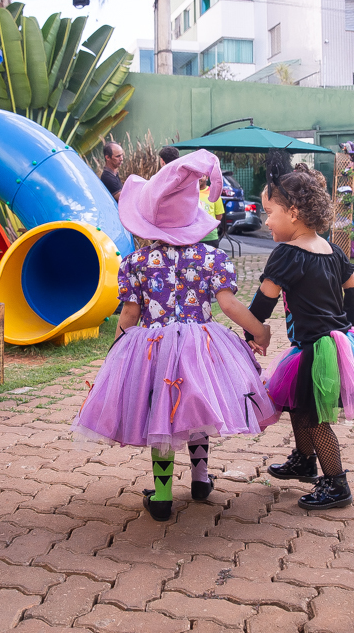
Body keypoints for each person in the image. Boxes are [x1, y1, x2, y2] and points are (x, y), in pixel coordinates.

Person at [72, 149, 277, 521]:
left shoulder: (135, 263)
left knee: (161, 418)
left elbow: (131, 314)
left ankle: (163, 496)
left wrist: (117, 353)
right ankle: (201, 480)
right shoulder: (211, 259)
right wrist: (259, 330)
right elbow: (228, 306)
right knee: (195, 406)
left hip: (152, 351)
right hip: (202, 347)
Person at [248, 156, 354, 510]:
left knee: (313, 416)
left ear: (292, 213)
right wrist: (348, 325)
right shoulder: (331, 250)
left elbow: (264, 303)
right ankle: (304, 460)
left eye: (270, 212)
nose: (266, 221)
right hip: (333, 342)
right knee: (298, 402)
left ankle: (337, 484)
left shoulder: (286, 255)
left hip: (317, 349)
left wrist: (253, 333)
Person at [198, 176, 225, 245]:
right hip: (192, 238)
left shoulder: (214, 193)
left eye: (201, 175)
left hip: (210, 237)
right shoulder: (188, 194)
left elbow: (219, 216)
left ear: (207, 177)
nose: (198, 178)